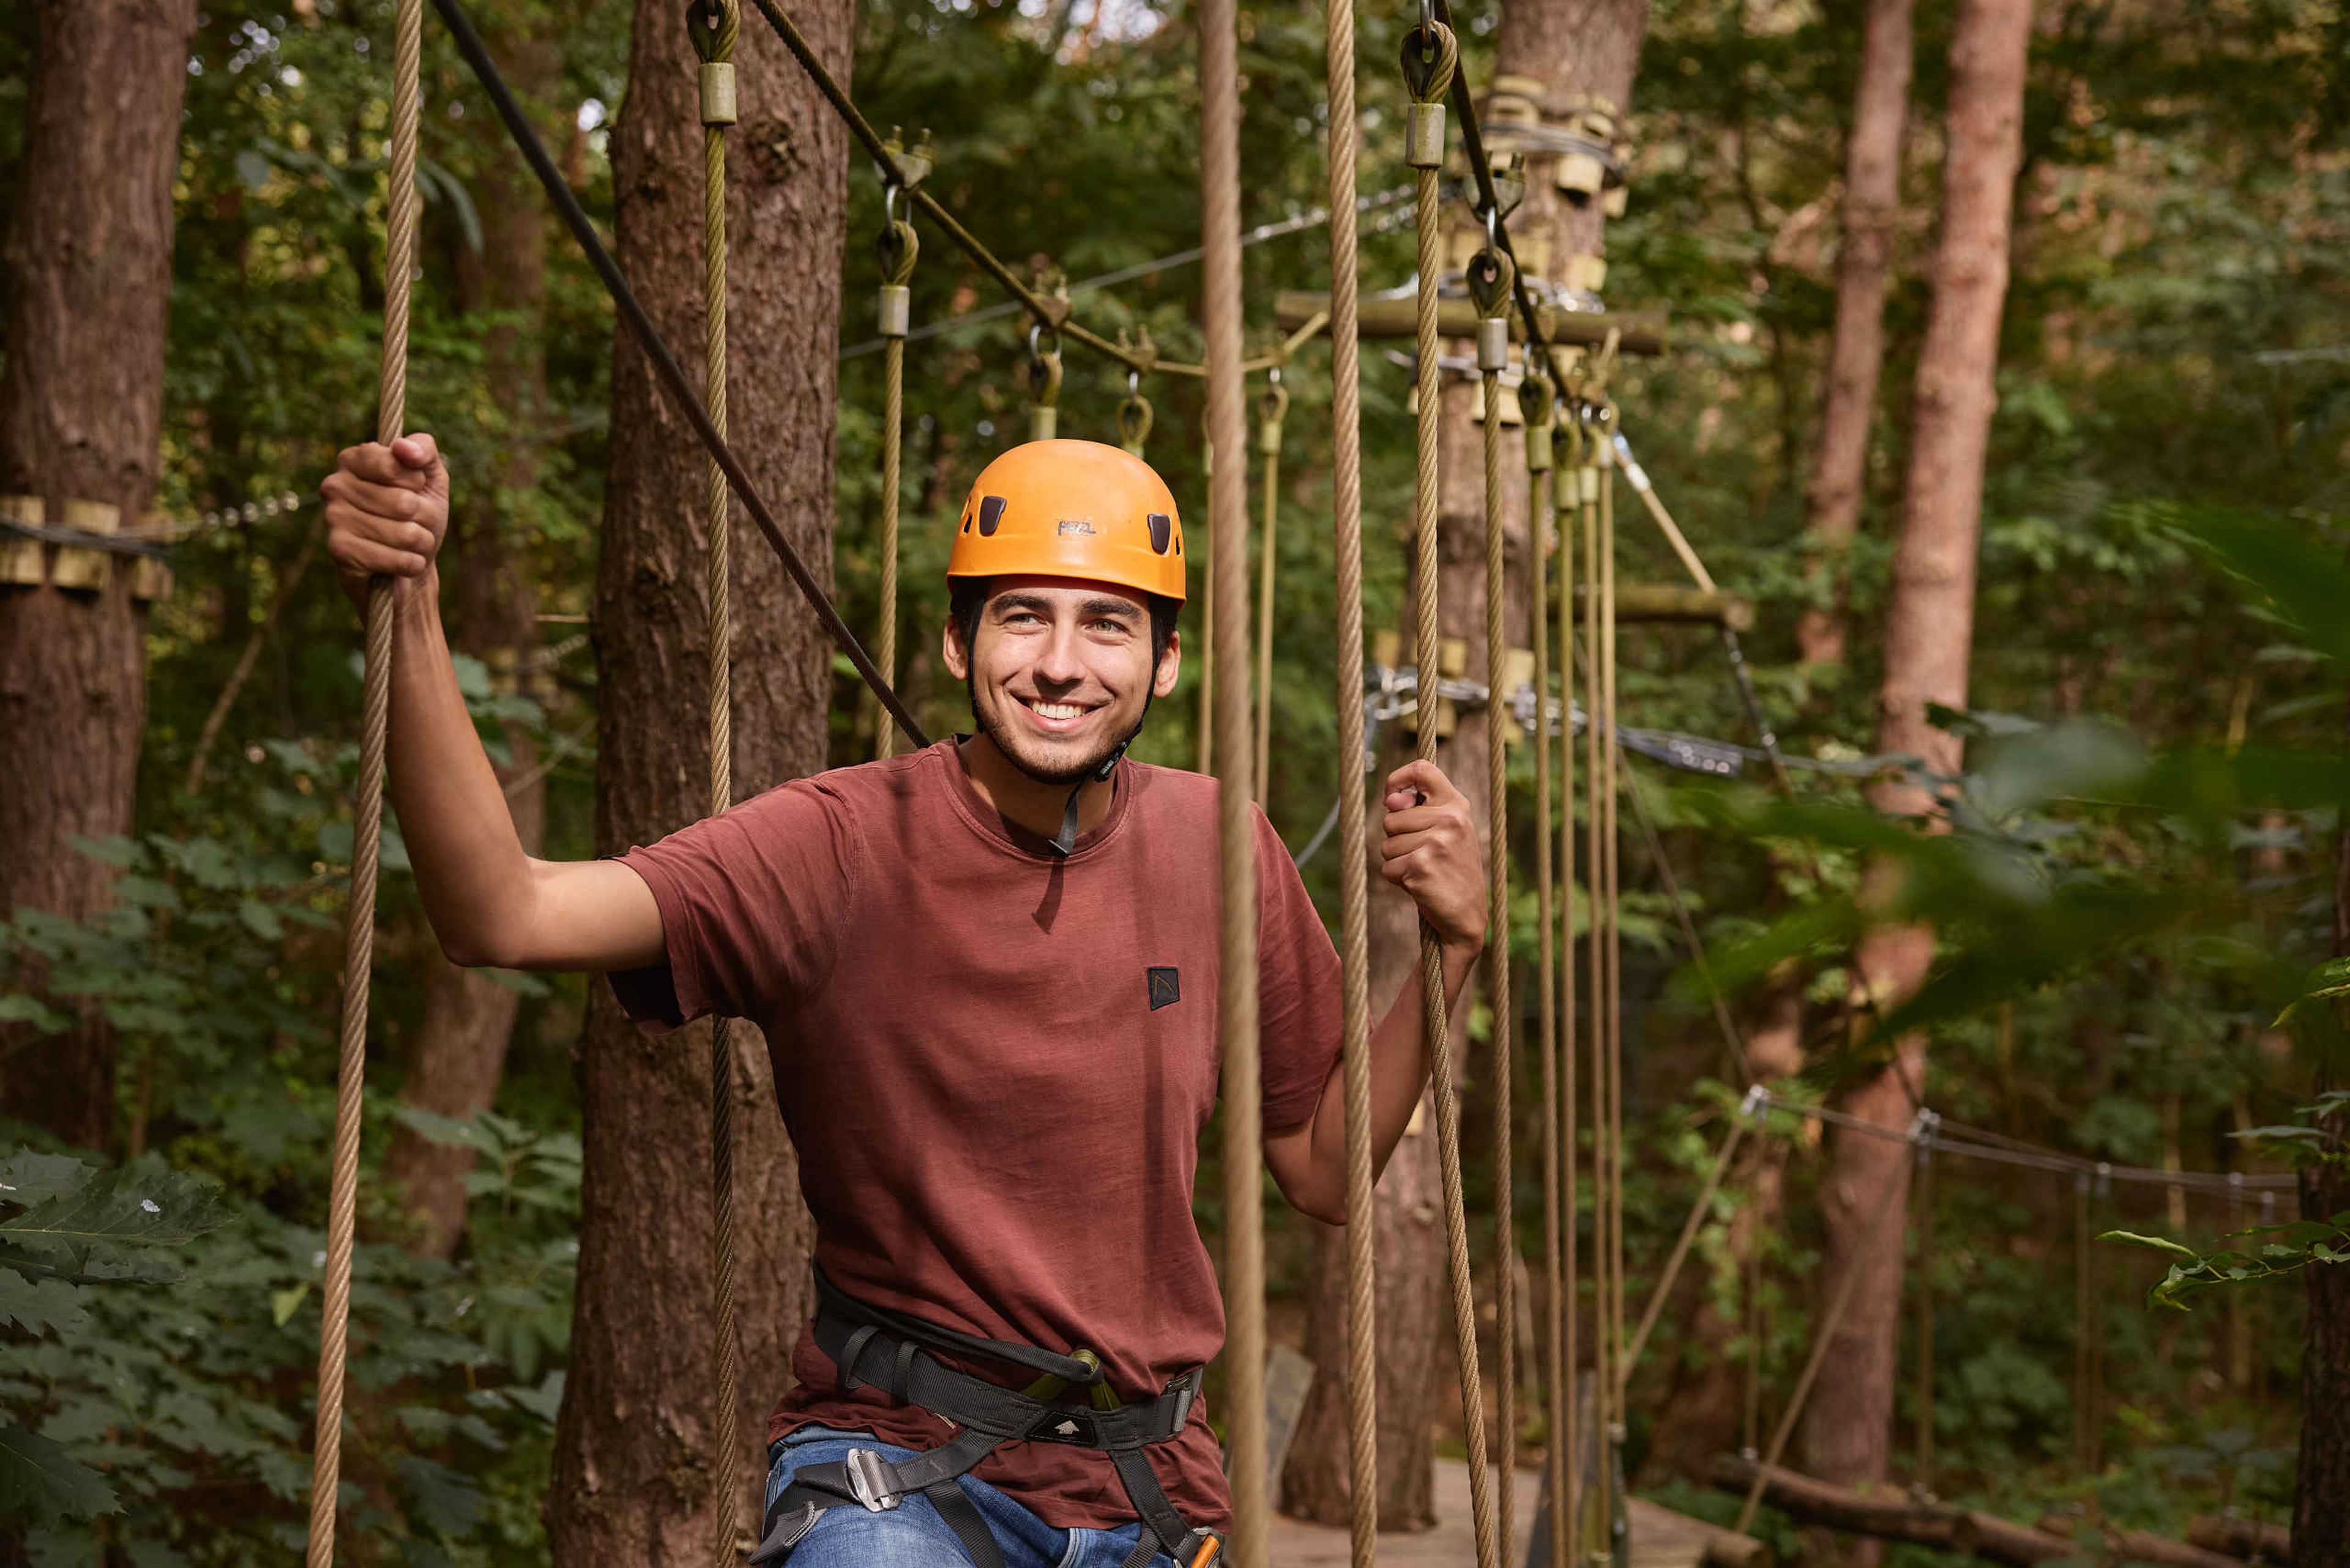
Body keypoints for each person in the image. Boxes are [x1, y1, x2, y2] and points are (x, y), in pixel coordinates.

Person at [320, 433, 1487, 1568]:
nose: (1062, 663)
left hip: (1151, 1494)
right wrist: (410, 603)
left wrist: (1453, 947)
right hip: (903, 1476)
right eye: (1023, 615)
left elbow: (1327, 1171)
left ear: (1166, 661)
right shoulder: (840, 847)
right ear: (957, 639)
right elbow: (504, 913)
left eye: (1107, 623)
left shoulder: (1219, 846)